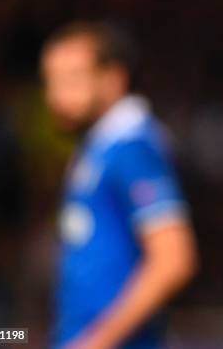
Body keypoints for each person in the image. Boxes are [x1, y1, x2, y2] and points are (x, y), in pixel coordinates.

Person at [41, 21, 198, 349]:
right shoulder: (99, 147)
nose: (56, 96)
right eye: (51, 82)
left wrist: (97, 342)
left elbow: (173, 259)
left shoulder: (131, 146)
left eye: (72, 80)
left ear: (113, 79)